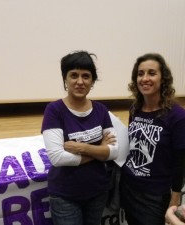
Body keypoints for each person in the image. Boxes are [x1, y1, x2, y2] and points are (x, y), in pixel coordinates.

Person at [41, 50, 119, 225]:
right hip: (65, 195)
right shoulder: (54, 110)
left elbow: (114, 151)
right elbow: (57, 157)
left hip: (98, 191)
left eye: (86, 76)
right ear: (65, 79)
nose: (80, 82)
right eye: (73, 75)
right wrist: (99, 149)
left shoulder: (101, 110)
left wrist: (83, 148)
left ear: (92, 82)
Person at [120, 53, 185, 225]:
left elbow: (179, 163)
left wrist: (174, 199)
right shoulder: (135, 109)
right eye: (140, 74)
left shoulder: (178, 116)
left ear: (163, 79)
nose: (144, 78)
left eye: (151, 73)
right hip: (129, 187)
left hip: (154, 196)